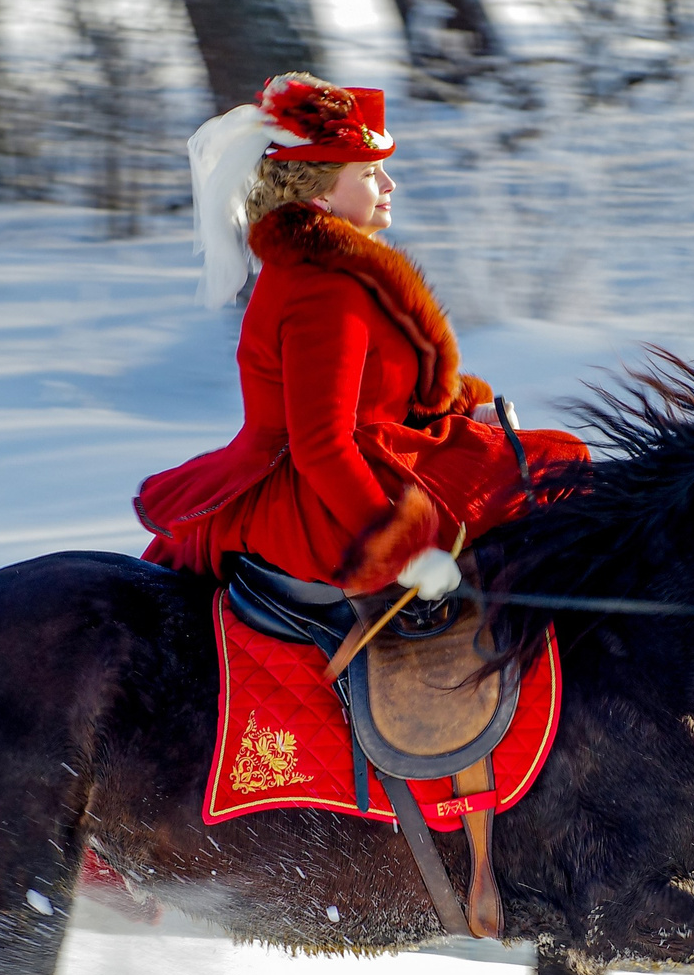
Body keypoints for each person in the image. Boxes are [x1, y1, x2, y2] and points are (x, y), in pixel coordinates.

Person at [135, 74, 586, 597]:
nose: (389, 184)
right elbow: (320, 446)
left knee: (548, 458)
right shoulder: (322, 288)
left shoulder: (333, 272)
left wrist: (465, 408)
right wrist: (401, 549)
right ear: (320, 194)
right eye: (371, 172)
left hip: (365, 459)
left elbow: (378, 385)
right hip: (325, 500)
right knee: (557, 463)